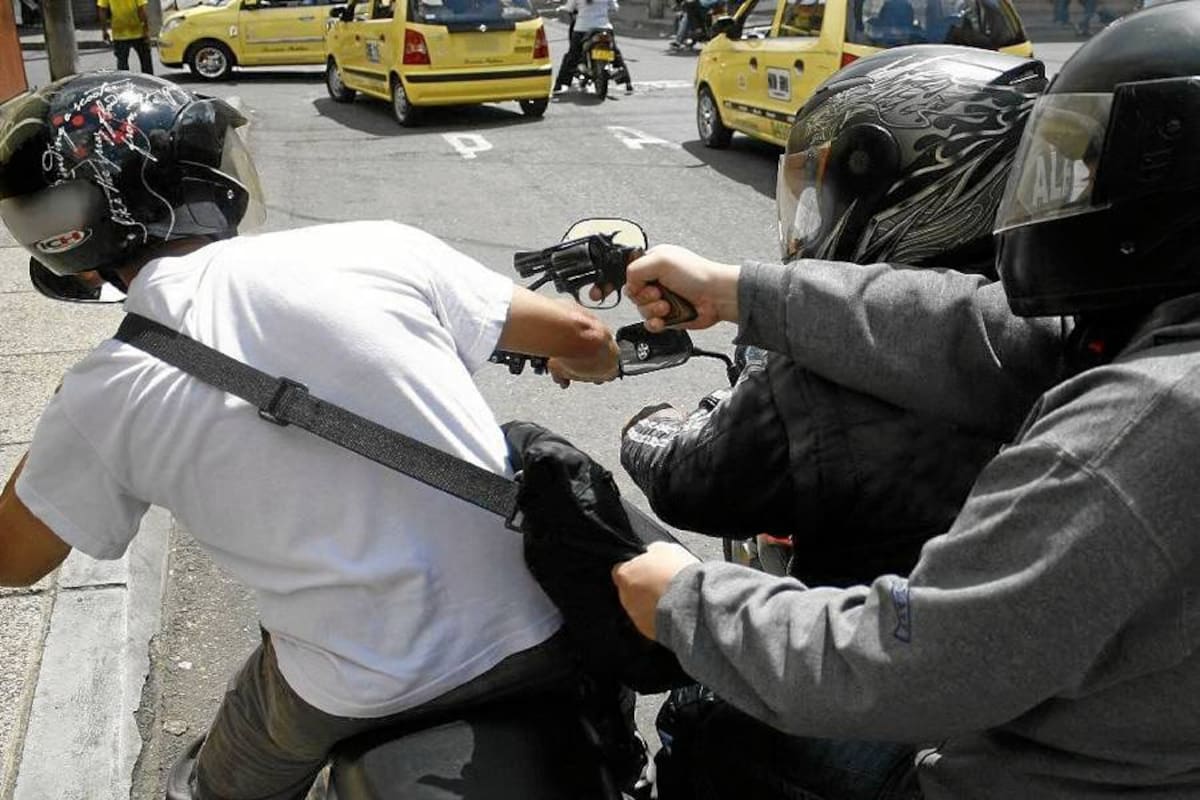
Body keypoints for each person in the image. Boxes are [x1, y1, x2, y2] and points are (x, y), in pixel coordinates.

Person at [613, 5, 1200, 797]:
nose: (1063, 192)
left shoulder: (1135, 432)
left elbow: (913, 664)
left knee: (704, 722)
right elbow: (979, 329)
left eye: (1081, 168)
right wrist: (738, 291)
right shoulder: (1157, 329)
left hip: (1029, 769)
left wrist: (686, 598)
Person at [0, 72, 621, 800]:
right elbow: (583, 336)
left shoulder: (104, 392)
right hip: (537, 631)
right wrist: (586, 359)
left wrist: (63, 427)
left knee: (215, 785)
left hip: (350, 686)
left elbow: (16, 560)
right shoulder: (376, 247)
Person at [621, 46, 1053, 588]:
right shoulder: (1069, 325)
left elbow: (689, 479)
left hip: (868, 651)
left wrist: (646, 424)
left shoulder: (820, 379)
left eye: (821, 191)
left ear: (899, 184)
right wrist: (743, 294)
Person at [553, 0, 634, 94]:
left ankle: (559, 84)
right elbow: (615, 8)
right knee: (615, 54)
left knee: (572, 56)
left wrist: (561, 8)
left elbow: (569, 8)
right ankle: (627, 83)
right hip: (604, 27)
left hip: (582, 29)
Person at [97, 0, 154, 74]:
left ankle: (125, 83)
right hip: (138, 32)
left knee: (122, 66)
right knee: (146, 64)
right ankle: (149, 84)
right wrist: (146, 30)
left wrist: (104, 30)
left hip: (119, 33)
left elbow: (102, 10)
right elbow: (141, 9)